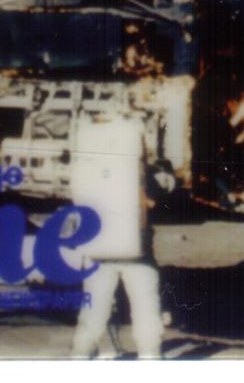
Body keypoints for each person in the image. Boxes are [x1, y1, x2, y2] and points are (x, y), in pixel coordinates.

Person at [69, 112, 165, 359]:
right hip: (137, 253)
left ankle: (81, 354)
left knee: (94, 309)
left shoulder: (87, 169)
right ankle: (149, 355)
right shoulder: (141, 174)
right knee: (145, 306)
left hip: (98, 253)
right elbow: (153, 200)